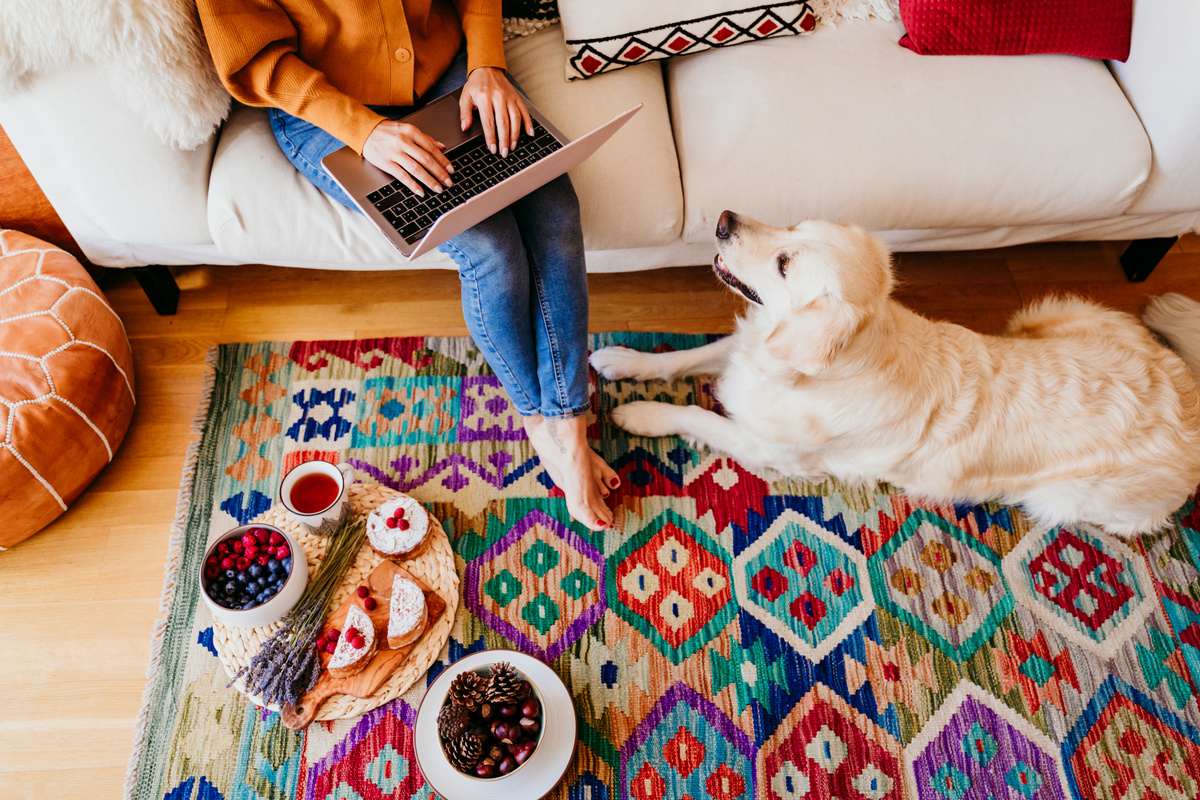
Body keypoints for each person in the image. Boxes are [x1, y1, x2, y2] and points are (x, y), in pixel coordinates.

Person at [197, 0, 618, 530]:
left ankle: (570, 426)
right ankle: (538, 419)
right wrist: (365, 130)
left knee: (554, 209)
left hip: (445, 69)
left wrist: (487, 63)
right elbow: (256, 58)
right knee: (489, 245)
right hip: (331, 108)